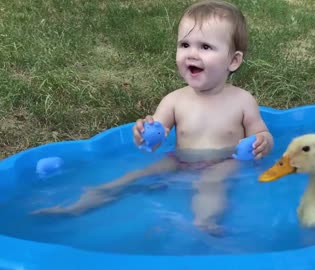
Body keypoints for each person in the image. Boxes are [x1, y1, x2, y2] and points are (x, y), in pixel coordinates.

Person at [33, 0, 274, 235]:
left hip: (225, 161)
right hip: (179, 159)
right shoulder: (174, 100)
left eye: (205, 47)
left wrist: (262, 141)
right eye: (185, 44)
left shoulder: (242, 100)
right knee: (134, 177)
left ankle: (205, 223)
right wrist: (143, 135)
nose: (192, 54)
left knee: (211, 183)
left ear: (233, 61)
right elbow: (155, 138)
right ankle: (80, 205)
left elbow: (260, 132)